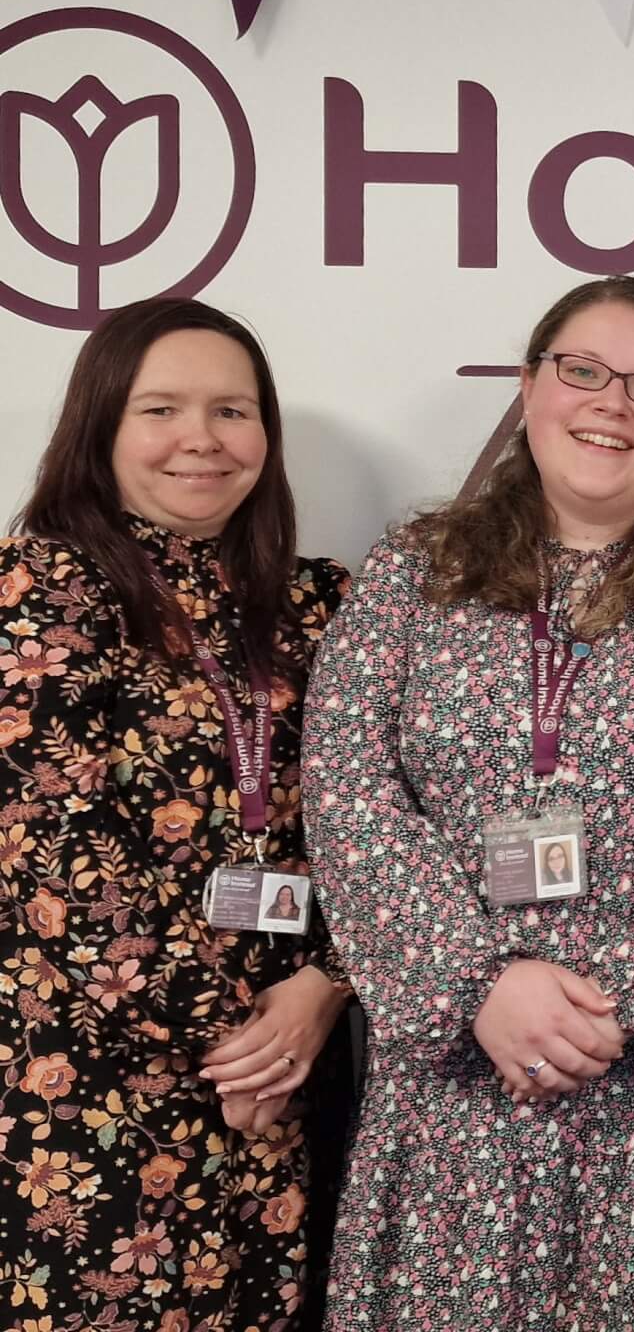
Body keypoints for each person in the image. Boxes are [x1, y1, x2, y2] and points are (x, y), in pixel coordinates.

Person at [303, 274, 634, 1330]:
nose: (610, 405)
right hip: (464, 1079)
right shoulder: (414, 575)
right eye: (582, 371)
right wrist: (479, 985)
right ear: (529, 386)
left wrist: (621, 1006)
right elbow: (347, 787)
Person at [0, 298, 354, 1330]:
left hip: (291, 1074)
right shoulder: (40, 589)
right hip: (99, 1081)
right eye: (161, 408)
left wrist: (320, 992)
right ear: (100, 427)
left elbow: (384, 817)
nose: (200, 438)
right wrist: (230, 1046)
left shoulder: (324, 604)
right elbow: (58, 849)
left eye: (232, 411)